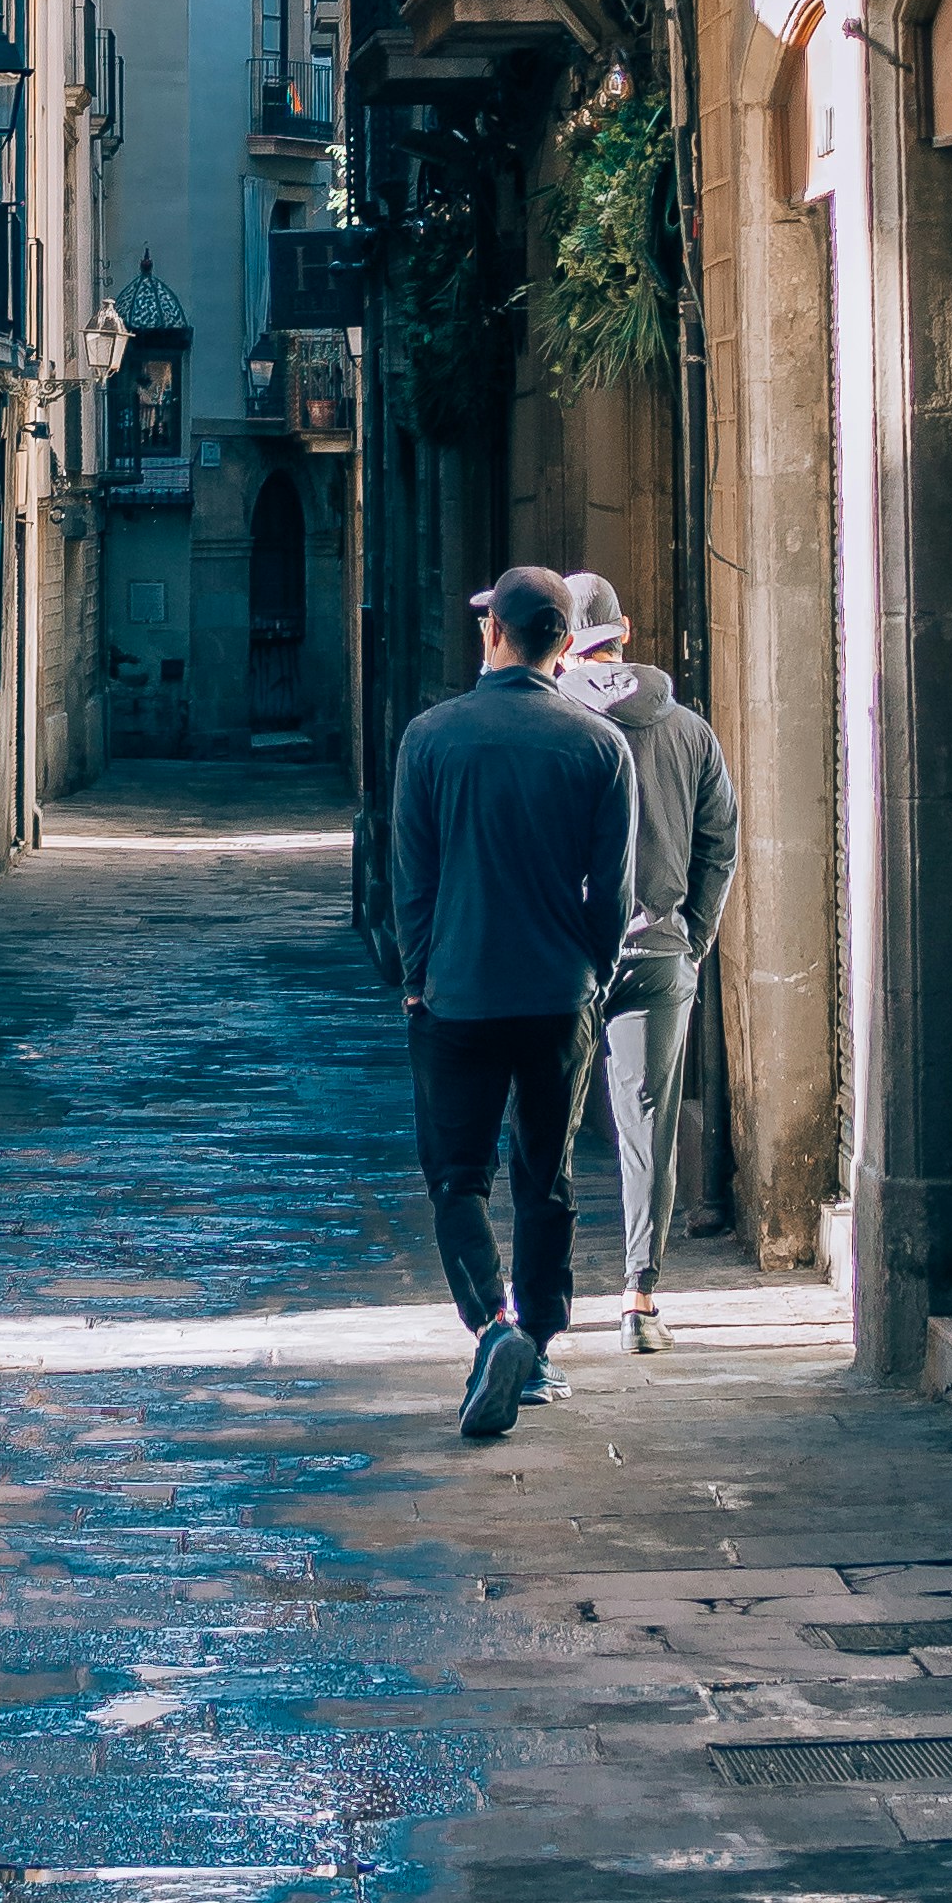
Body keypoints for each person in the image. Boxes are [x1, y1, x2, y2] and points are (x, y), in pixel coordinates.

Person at [392, 563, 638, 1443]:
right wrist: (595, 971)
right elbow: (610, 895)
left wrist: (417, 975)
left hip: (455, 994)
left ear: (493, 632)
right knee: (548, 1177)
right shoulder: (599, 747)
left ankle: (491, 1328)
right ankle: (535, 1345)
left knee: (458, 1180)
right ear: (565, 645)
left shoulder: (429, 738)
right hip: (554, 994)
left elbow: (410, 881)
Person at [560, 572, 739, 1352]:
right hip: (659, 951)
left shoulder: (553, 720)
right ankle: (637, 1299)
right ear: (623, 633)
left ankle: (538, 1305)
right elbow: (720, 845)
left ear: (562, 641)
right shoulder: (689, 728)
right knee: (648, 1128)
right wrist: (690, 937)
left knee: (545, 1125)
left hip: (566, 956)